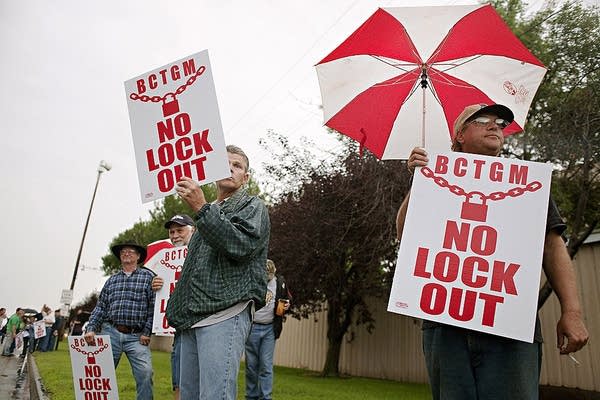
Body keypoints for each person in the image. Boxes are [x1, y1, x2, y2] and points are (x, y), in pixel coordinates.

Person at [396, 103, 589, 400]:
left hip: (509, 324)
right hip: (446, 327)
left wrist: (572, 312)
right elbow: (405, 236)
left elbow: (552, 246)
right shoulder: (434, 177)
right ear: (459, 134)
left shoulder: (528, 184)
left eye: (500, 123)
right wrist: (420, 180)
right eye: (482, 120)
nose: (495, 126)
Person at [166, 145, 271, 400]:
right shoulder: (205, 213)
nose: (231, 169)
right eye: (225, 164)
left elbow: (241, 245)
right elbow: (193, 268)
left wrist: (202, 208)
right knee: (189, 395)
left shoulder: (253, 205)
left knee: (215, 395)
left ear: (245, 177)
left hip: (224, 312)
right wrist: (177, 308)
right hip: (192, 316)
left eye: (237, 166)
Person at [84, 242, 155, 400]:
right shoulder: (111, 280)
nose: (127, 253)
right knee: (100, 375)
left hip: (137, 337)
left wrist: (147, 331)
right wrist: (91, 328)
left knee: (145, 373)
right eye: (123, 252)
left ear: (138, 256)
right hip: (111, 332)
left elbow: (153, 308)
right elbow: (101, 307)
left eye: (131, 251)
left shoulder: (149, 277)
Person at [150, 213, 195, 400]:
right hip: (180, 326)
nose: (175, 235)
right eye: (172, 231)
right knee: (178, 373)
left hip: (204, 322)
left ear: (192, 230)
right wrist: (156, 285)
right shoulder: (164, 261)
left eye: (180, 230)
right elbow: (161, 289)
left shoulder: (204, 249)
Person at [245, 259, 291, 400]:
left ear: (274, 272)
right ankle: (251, 396)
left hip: (270, 329)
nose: (267, 278)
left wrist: (288, 306)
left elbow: (287, 300)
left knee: (266, 365)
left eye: (269, 276)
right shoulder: (252, 282)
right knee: (251, 366)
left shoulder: (280, 283)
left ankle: (266, 397)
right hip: (252, 327)